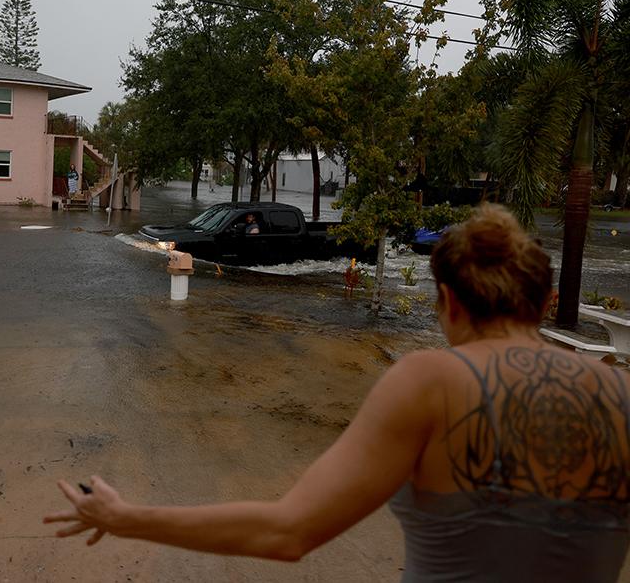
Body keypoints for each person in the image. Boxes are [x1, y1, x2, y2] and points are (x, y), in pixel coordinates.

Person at [45, 204, 630, 582]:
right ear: (548, 304)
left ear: (447, 301)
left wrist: (127, 518)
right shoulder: (621, 393)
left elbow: (288, 531)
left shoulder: (430, 382)